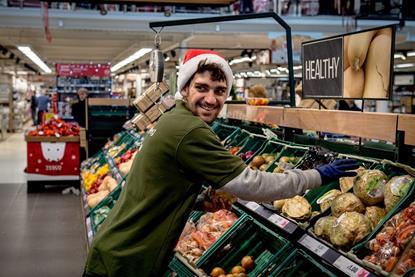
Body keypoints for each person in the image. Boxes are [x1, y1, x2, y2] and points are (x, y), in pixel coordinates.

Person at [83, 49, 359, 277]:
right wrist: (316, 176)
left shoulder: (173, 119)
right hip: (127, 261)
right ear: (185, 88)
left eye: (219, 90)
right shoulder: (190, 130)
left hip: (120, 251)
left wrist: (199, 200)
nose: (211, 99)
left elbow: (156, 187)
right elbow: (252, 185)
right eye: (202, 88)